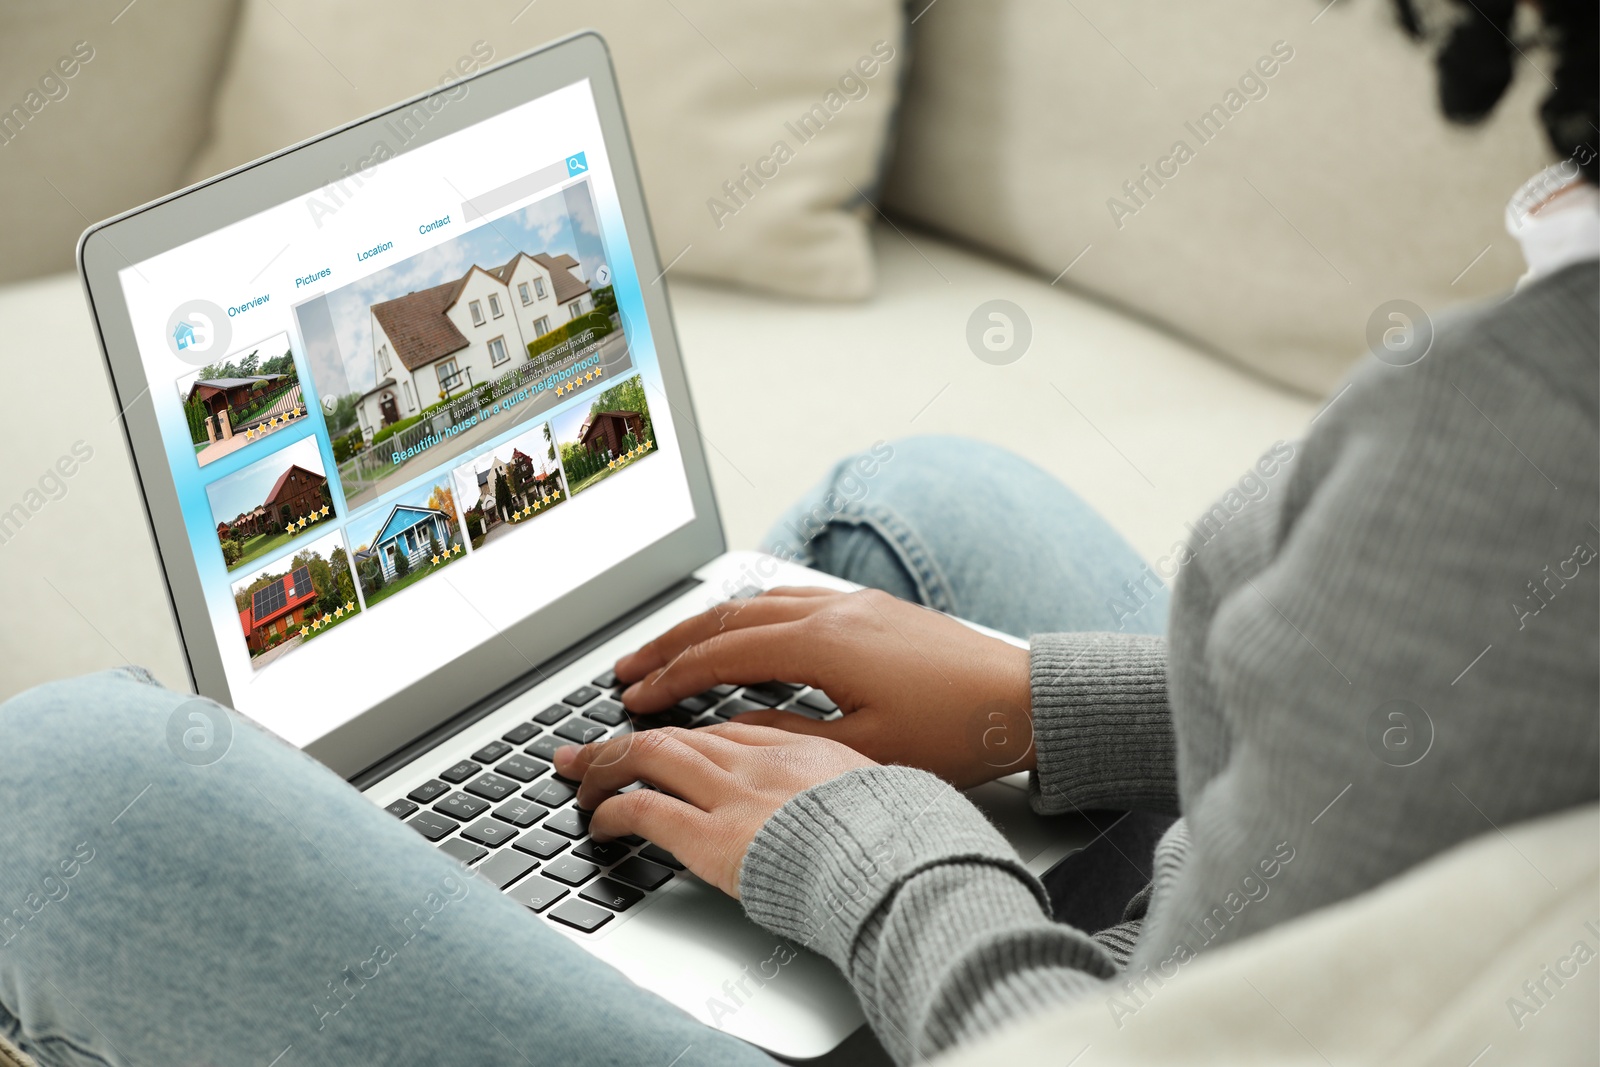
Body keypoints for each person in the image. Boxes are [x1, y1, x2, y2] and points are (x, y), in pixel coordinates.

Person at [1, 2, 1594, 1064]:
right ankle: (597, 915)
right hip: (1192, 937)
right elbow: (1454, 755)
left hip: (1086, 1020)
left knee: (57, 794)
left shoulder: (1508, 451)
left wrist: (873, 861)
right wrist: (1044, 708)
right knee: (914, 506)